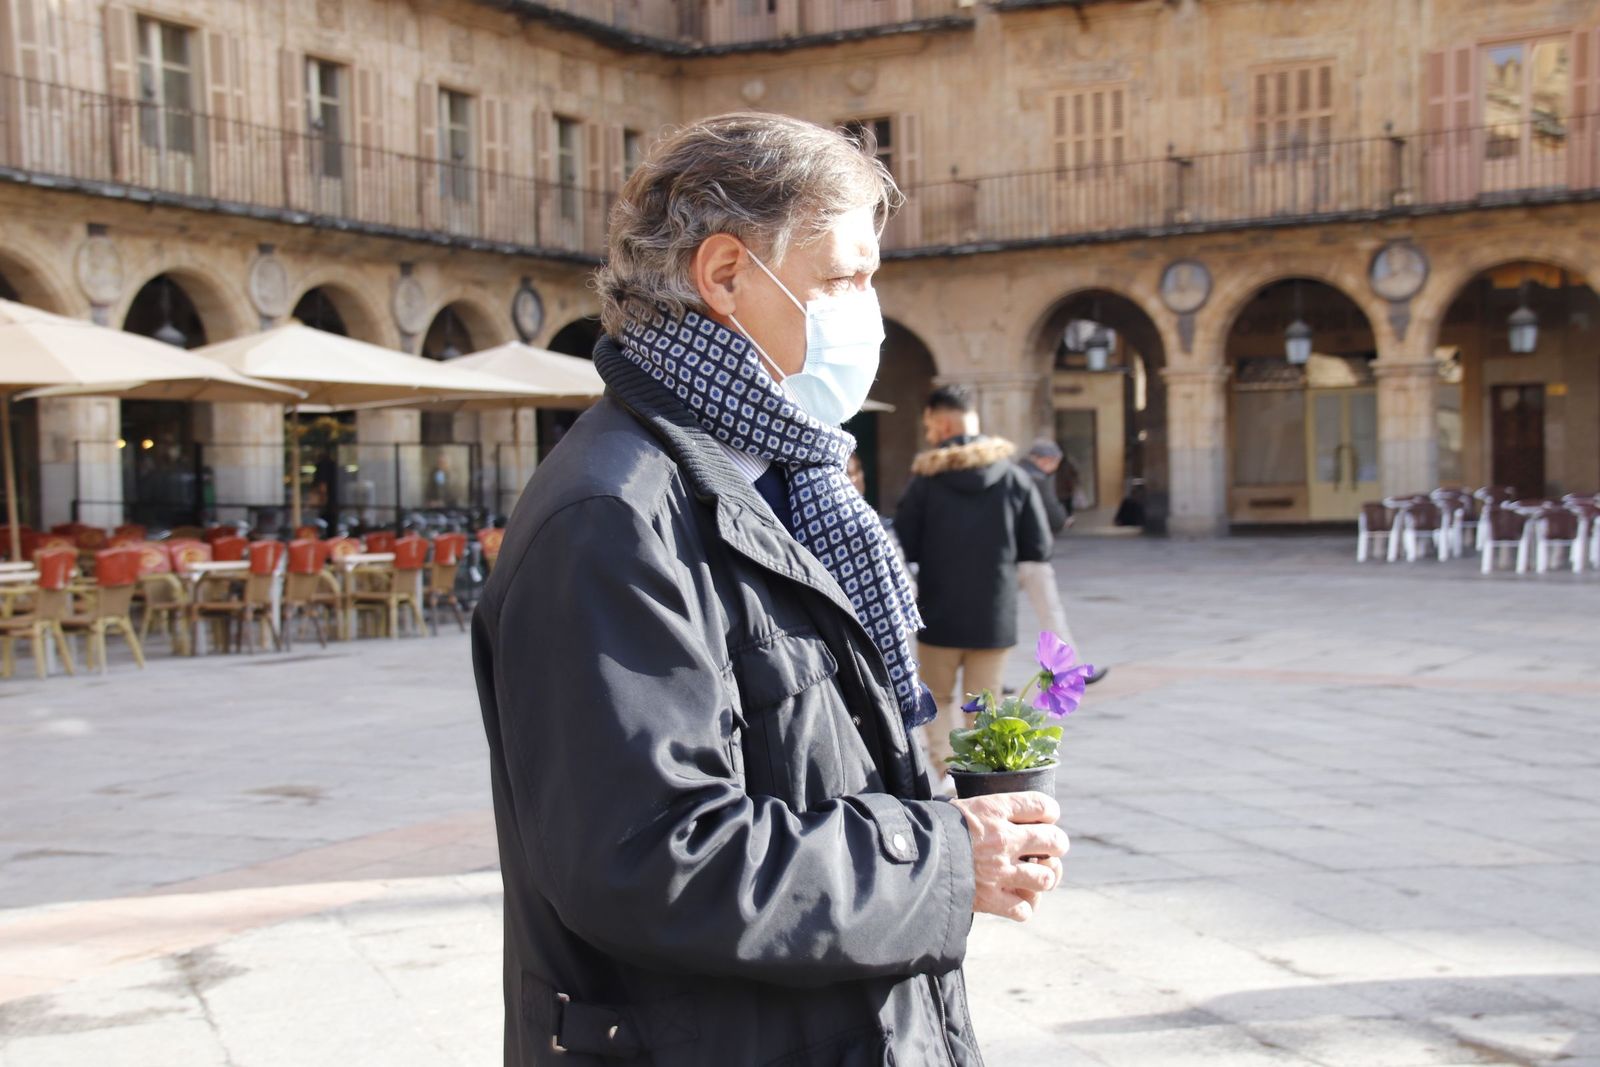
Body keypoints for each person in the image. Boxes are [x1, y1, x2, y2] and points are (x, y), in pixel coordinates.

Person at [472, 113, 1069, 1066]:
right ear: (724, 275)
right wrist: (947, 857)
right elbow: (650, 856)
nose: (867, 310)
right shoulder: (612, 517)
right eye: (843, 277)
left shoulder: (786, 484)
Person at [894, 385, 1055, 777]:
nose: (929, 433)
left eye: (929, 425)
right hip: (993, 617)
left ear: (943, 420)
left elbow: (903, 544)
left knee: (938, 700)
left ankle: (945, 775)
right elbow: (1039, 545)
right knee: (985, 704)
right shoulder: (1015, 479)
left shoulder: (926, 482)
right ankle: (981, 777)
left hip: (939, 614)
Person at [1017, 439, 1107, 685]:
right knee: (1051, 615)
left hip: (1004, 559)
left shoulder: (1011, 474)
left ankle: (990, 677)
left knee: (997, 620)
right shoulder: (1036, 479)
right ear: (1046, 460)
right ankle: (1067, 670)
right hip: (1032, 558)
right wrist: (1062, 520)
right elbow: (1054, 517)